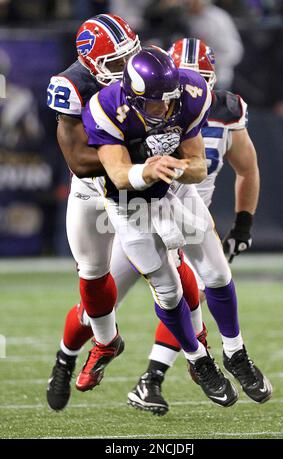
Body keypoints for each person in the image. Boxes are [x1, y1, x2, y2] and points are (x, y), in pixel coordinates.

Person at [46, 15, 208, 412]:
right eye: (116, 65)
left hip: (142, 190)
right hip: (95, 189)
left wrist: (149, 166)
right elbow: (80, 162)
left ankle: (198, 343)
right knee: (91, 273)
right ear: (90, 63)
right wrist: (134, 162)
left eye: (129, 58)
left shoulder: (148, 75)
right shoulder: (72, 86)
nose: (126, 71)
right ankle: (92, 347)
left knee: (171, 260)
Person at [79, 47, 240, 407]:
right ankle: (199, 360)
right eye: (154, 104)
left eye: (170, 102)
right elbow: (119, 175)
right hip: (127, 204)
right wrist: (146, 170)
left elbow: (198, 165)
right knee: (167, 290)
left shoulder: (191, 92)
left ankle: (235, 351)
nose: (164, 110)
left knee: (215, 269)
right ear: (134, 95)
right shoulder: (106, 107)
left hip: (174, 192)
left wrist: (179, 168)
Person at [126, 38, 271, 415]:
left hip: (192, 213)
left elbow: (247, 168)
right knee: (166, 294)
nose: (194, 89)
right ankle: (153, 374)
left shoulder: (224, 108)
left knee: (207, 284)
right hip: (140, 210)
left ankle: (159, 377)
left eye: (201, 79)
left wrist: (243, 222)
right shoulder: (143, 109)